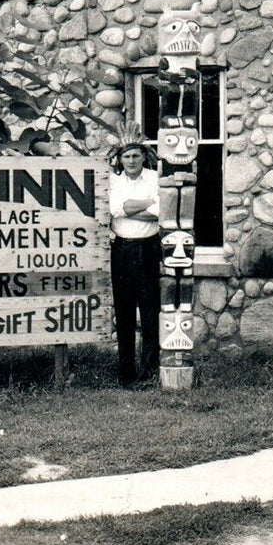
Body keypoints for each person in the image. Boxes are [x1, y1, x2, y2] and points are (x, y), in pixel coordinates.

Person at [108, 128, 161, 385]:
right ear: (120, 158)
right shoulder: (114, 181)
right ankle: (126, 372)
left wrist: (130, 208)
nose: (131, 161)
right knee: (124, 310)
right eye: (127, 156)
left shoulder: (155, 178)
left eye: (136, 156)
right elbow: (115, 209)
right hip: (122, 249)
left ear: (144, 157)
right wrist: (146, 203)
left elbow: (161, 211)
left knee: (150, 310)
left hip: (149, 247)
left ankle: (149, 370)